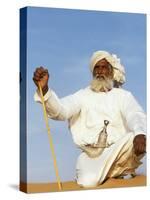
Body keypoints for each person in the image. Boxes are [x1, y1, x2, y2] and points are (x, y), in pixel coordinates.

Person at [33, 50, 146, 187]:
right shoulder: (82, 96)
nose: (100, 71)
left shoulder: (123, 96)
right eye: (96, 68)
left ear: (110, 71)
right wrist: (44, 90)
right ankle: (113, 174)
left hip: (119, 150)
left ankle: (120, 172)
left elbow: (135, 114)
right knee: (88, 182)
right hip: (93, 155)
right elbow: (61, 111)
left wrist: (140, 133)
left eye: (103, 67)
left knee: (142, 133)